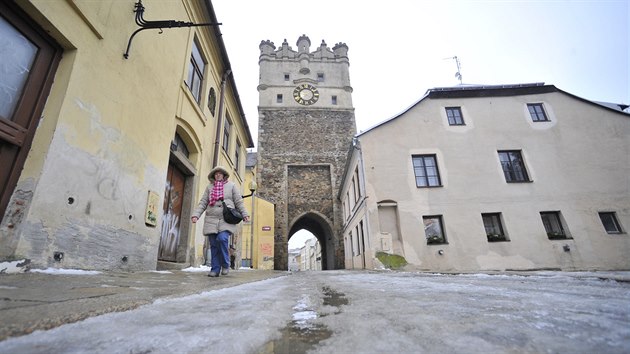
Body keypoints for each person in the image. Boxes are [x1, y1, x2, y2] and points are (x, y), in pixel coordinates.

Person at [191, 166, 249, 277]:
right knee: (213, 245)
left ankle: (226, 264)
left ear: (224, 175)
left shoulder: (231, 186)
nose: (218, 175)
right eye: (216, 174)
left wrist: (245, 214)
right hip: (211, 219)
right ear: (213, 176)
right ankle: (215, 269)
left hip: (226, 218)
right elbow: (203, 202)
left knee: (222, 239)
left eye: (220, 173)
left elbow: (239, 202)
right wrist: (196, 215)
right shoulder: (209, 188)